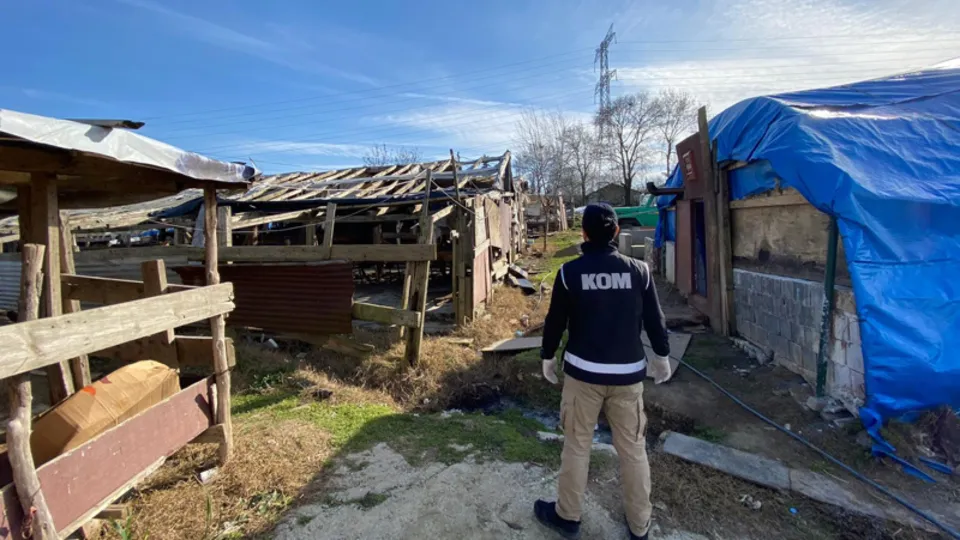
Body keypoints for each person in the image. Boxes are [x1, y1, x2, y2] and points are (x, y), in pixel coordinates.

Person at [534, 203, 672, 540]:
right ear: (615, 232)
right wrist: (662, 356)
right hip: (628, 376)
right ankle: (639, 525)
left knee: (577, 445)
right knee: (633, 449)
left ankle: (568, 516)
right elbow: (655, 319)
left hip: (583, 375)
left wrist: (547, 356)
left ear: (583, 233)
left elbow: (555, 321)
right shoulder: (639, 271)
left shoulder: (569, 273)